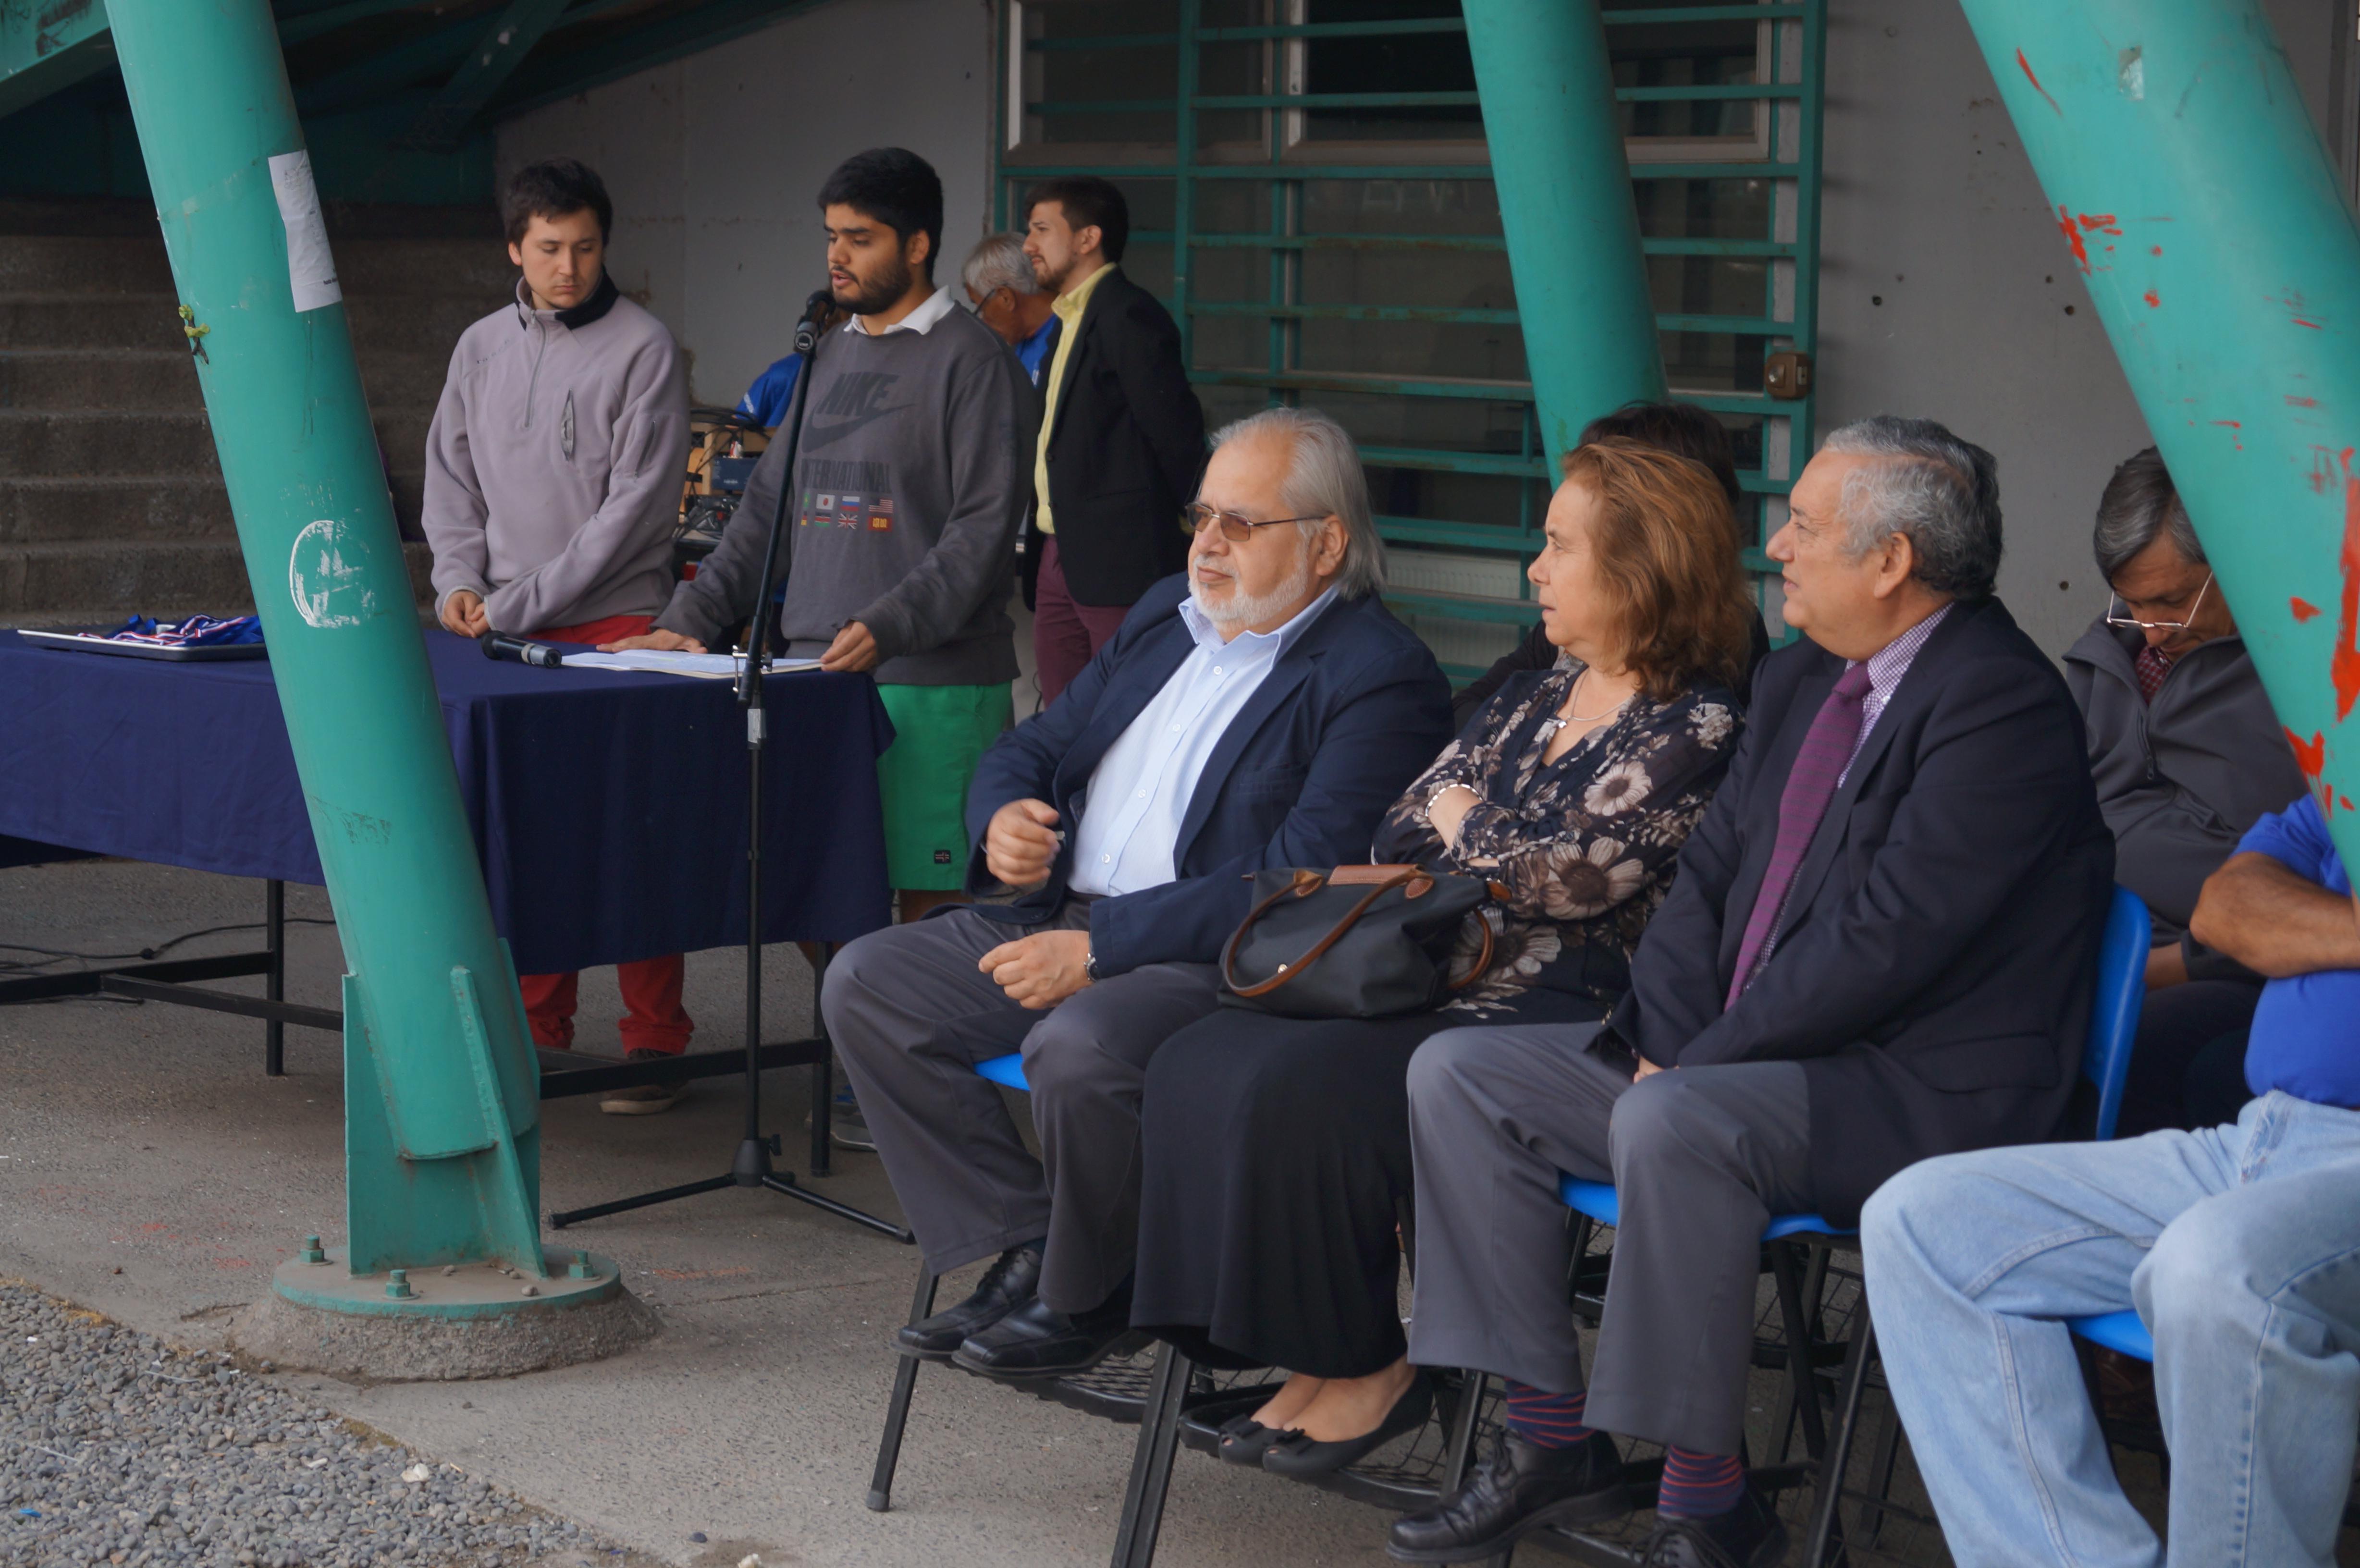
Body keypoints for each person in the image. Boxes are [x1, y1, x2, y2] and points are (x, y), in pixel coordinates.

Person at [1390, 416, 2114, 1568]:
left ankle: (1705, 1501)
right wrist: (1666, 1036)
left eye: (1807, 527)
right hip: (1738, 1062)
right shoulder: (1797, 678)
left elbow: (1888, 944)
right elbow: (1708, 883)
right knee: (1459, 1075)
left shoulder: (2001, 707)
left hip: (1908, 1089)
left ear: (1888, 562)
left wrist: (1697, 1059)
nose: (1775, 545)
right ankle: (1541, 1435)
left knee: (1673, 1118)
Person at [1129, 439, 1752, 1479]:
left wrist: (1474, 822)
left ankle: (1372, 1360)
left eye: (1558, 547)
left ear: (1639, 567)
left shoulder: (1696, 721)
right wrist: (1485, 832)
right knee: (1202, 1056)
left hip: (1552, 1006)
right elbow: (1401, 823)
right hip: (1439, 969)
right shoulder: (1542, 685)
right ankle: (1301, 1354)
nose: (1534, 569)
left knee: (1303, 1088)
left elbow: (1569, 880)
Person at [821, 408, 1454, 1379]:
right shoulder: (1168, 615)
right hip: (1063, 916)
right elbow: (1034, 744)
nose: (1207, 543)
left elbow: (1298, 878)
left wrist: (1103, 947)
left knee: (1078, 1046)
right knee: (868, 982)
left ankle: (1089, 1293)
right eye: (1201, 517)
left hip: (1212, 955)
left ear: (1324, 545)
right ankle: (1032, 1242)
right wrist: (1002, 819)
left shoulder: (1377, 676)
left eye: (1240, 524)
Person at [1865, 789, 2360, 1568]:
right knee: (1922, 1220)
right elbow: (2226, 910)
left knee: (2215, 1263)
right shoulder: (2344, 769)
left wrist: (2310, 926)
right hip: (2262, 1137)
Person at [610, 148, 1034, 927]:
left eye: (860, 237)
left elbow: (980, 533)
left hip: (932, 682)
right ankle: (854, 1048)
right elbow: (765, 512)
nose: (837, 254)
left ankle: (904, 1051)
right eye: (831, 235)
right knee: (805, 897)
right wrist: (685, 621)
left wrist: (887, 623)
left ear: (916, 245)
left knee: (930, 912)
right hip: (812, 673)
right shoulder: (824, 353)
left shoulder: (976, 363)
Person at [420, 157, 695, 1113]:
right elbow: (448, 481)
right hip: (499, 627)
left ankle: (656, 1046)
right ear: (514, 249)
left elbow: (634, 511)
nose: (568, 266)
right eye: (548, 249)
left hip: (618, 626)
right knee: (525, 835)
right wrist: (458, 579)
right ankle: (536, 1034)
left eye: (584, 247)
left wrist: (517, 600)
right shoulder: (479, 347)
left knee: (631, 838)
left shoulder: (646, 347)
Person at [2065, 448, 2303, 1135]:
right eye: (2130, 603)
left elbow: (2302, 885)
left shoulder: (2301, 685)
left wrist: (2141, 971)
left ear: (2239, 559)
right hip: (2084, 947)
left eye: (2172, 600)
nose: (2152, 630)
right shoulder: (2104, 658)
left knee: (2135, 1054)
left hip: (2219, 969)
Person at [1452, 401, 1772, 728]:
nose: (1535, 572)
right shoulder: (1582, 630)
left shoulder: (1707, 694)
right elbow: (1468, 711)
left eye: (1617, 477)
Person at [1023, 176, 1207, 704]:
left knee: (1128, 711)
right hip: (1058, 551)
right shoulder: (1064, 319)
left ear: (1087, 239)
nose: (1027, 245)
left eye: (1041, 229)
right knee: (1062, 713)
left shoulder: (1128, 314)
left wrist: (1202, 529)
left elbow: (1175, 434)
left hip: (1121, 559)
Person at [963, 232, 1057, 383]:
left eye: (981, 308)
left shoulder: (1072, 335)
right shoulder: (1018, 345)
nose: (983, 321)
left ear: (1005, 298)